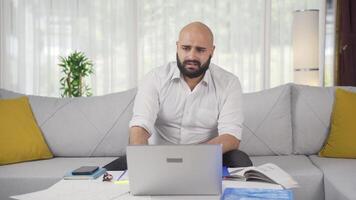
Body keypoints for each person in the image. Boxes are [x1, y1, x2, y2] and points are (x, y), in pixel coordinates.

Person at [126, 21, 251, 167]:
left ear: (212, 51)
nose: (192, 56)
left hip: (206, 158)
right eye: (186, 48)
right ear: (177, 47)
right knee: (106, 173)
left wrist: (189, 158)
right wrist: (141, 162)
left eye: (200, 50)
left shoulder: (229, 83)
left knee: (240, 159)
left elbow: (231, 136)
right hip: (157, 157)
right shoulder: (155, 78)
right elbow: (140, 125)